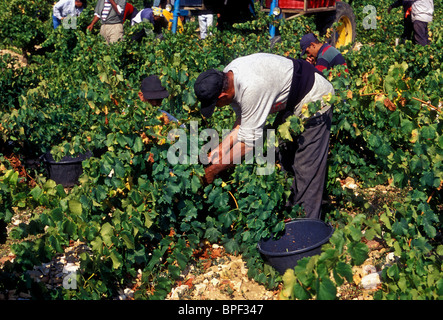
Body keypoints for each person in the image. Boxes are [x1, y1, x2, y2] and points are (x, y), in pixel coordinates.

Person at [194, 53, 335, 220]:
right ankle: (291, 213)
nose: (217, 108)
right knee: (286, 158)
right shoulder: (228, 75)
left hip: (315, 99)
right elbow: (243, 123)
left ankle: (308, 229)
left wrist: (214, 169)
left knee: (307, 168)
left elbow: (248, 143)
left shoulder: (252, 88)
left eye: (215, 104)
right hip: (292, 99)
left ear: (222, 96)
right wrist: (220, 149)